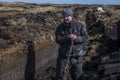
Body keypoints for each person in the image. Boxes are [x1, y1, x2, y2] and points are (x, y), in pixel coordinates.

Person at [55, 8, 88, 80]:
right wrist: (67, 37)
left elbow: (85, 37)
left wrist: (77, 38)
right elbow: (58, 40)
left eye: (67, 16)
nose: (66, 18)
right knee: (60, 76)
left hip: (77, 56)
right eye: (64, 16)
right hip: (64, 56)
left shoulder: (80, 26)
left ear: (71, 16)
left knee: (78, 76)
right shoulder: (59, 28)